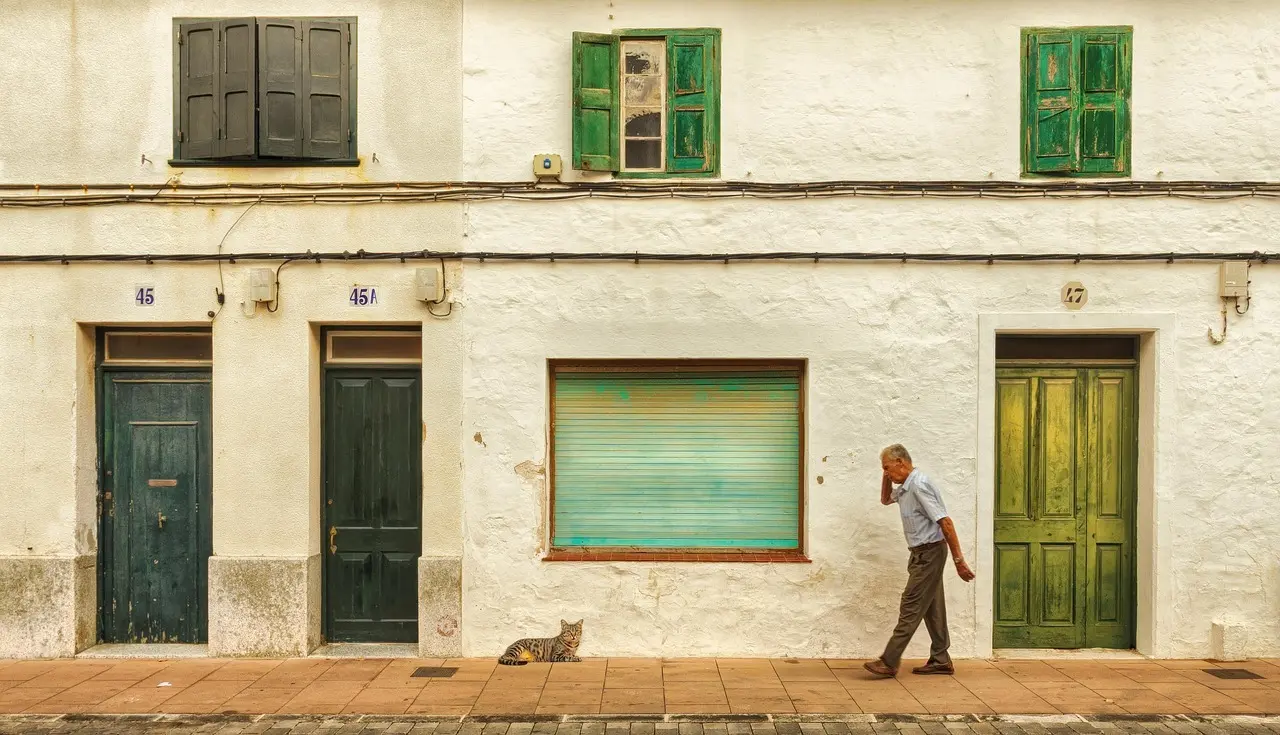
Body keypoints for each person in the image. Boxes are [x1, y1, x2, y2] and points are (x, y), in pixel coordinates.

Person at [863, 444, 976, 678]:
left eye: (888, 468)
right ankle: (941, 659)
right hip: (921, 554)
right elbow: (885, 500)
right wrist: (886, 477)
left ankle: (889, 661)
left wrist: (959, 561)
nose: (886, 473)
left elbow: (945, 521)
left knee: (911, 604)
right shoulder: (905, 487)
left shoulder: (919, 485)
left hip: (930, 553)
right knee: (932, 608)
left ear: (901, 463)